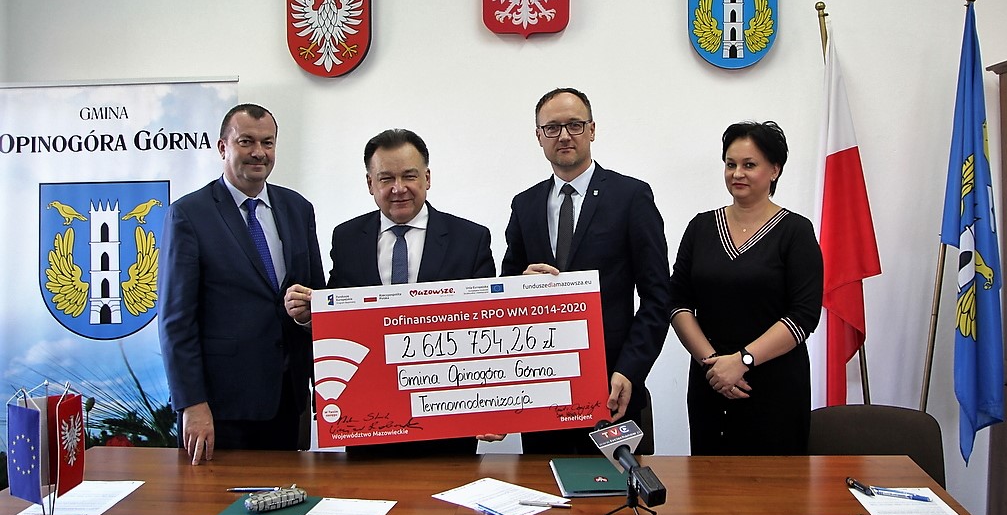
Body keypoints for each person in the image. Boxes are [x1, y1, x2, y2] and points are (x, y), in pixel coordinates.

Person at [285, 128, 496, 455]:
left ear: (427, 178)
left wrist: (492, 405)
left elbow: (488, 329)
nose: (399, 188)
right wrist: (309, 314)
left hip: (447, 423)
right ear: (370, 183)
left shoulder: (470, 239)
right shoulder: (347, 238)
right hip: (368, 420)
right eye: (386, 178)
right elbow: (340, 318)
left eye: (409, 176)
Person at [502, 87, 670, 454]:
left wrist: (630, 369)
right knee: (543, 488)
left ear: (592, 130)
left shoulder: (631, 197)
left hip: (612, 388)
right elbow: (506, 290)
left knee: (617, 489)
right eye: (552, 128)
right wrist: (520, 285)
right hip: (543, 390)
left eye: (575, 125)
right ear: (539, 137)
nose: (564, 135)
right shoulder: (525, 204)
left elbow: (658, 297)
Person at [158, 103, 325, 465]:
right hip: (221, 407)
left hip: (288, 398)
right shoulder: (189, 214)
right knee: (216, 499)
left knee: (284, 495)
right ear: (223, 147)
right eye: (246, 141)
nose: (258, 152)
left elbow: (319, 298)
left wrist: (307, 314)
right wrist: (192, 403)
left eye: (268, 142)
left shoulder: (298, 208)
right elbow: (175, 321)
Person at [669, 120, 823, 455]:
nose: (737, 173)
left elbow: (804, 315)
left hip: (775, 385)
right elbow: (677, 302)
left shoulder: (795, 231)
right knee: (709, 480)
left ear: (774, 170)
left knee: (775, 482)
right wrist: (713, 363)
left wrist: (743, 360)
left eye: (749, 165)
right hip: (711, 381)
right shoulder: (700, 227)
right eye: (730, 164)